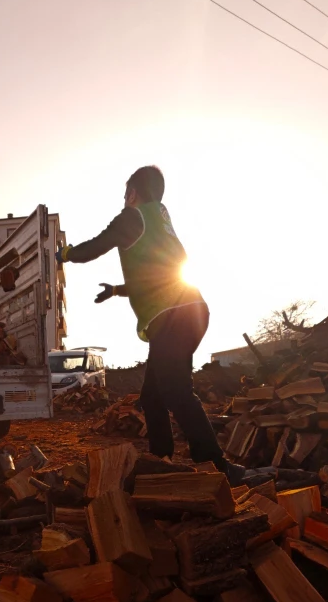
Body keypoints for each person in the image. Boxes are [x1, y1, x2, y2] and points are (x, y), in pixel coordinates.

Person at [55, 166, 233, 474]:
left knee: (175, 390)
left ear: (133, 193)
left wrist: (65, 254)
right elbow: (155, 278)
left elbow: (95, 246)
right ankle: (161, 461)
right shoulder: (160, 222)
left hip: (173, 317)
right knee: (152, 397)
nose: (124, 200)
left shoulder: (132, 217)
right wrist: (116, 290)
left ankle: (216, 465)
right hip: (187, 313)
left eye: (125, 194)